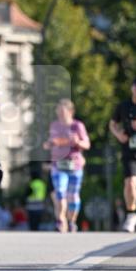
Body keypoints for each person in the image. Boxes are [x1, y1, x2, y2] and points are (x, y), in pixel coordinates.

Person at [43, 98, 91, 232]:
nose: (60, 114)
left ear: (70, 112)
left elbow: (87, 144)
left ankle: (72, 221)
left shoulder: (78, 126)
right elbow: (49, 143)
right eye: (58, 111)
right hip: (58, 165)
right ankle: (60, 220)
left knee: (73, 195)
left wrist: (77, 142)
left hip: (74, 165)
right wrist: (49, 144)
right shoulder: (54, 125)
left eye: (62, 112)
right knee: (59, 192)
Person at [109, 75, 136, 232]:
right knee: (130, 183)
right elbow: (112, 123)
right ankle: (131, 215)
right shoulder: (124, 106)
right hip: (130, 153)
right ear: (131, 88)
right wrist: (118, 134)